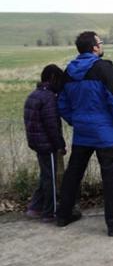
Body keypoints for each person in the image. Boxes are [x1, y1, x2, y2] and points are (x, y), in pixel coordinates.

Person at [56, 31, 113, 236]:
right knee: (110, 175)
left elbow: (62, 104)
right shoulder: (104, 69)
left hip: (82, 132)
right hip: (105, 132)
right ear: (94, 47)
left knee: (74, 172)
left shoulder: (69, 71)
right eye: (100, 42)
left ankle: (63, 214)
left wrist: (75, 121)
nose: (102, 45)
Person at [23, 64, 66, 222]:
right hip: (47, 145)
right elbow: (52, 126)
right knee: (51, 179)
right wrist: (60, 144)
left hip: (37, 142)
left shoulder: (34, 95)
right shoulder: (48, 98)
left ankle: (35, 207)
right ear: (54, 79)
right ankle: (50, 212)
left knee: (45, 176)